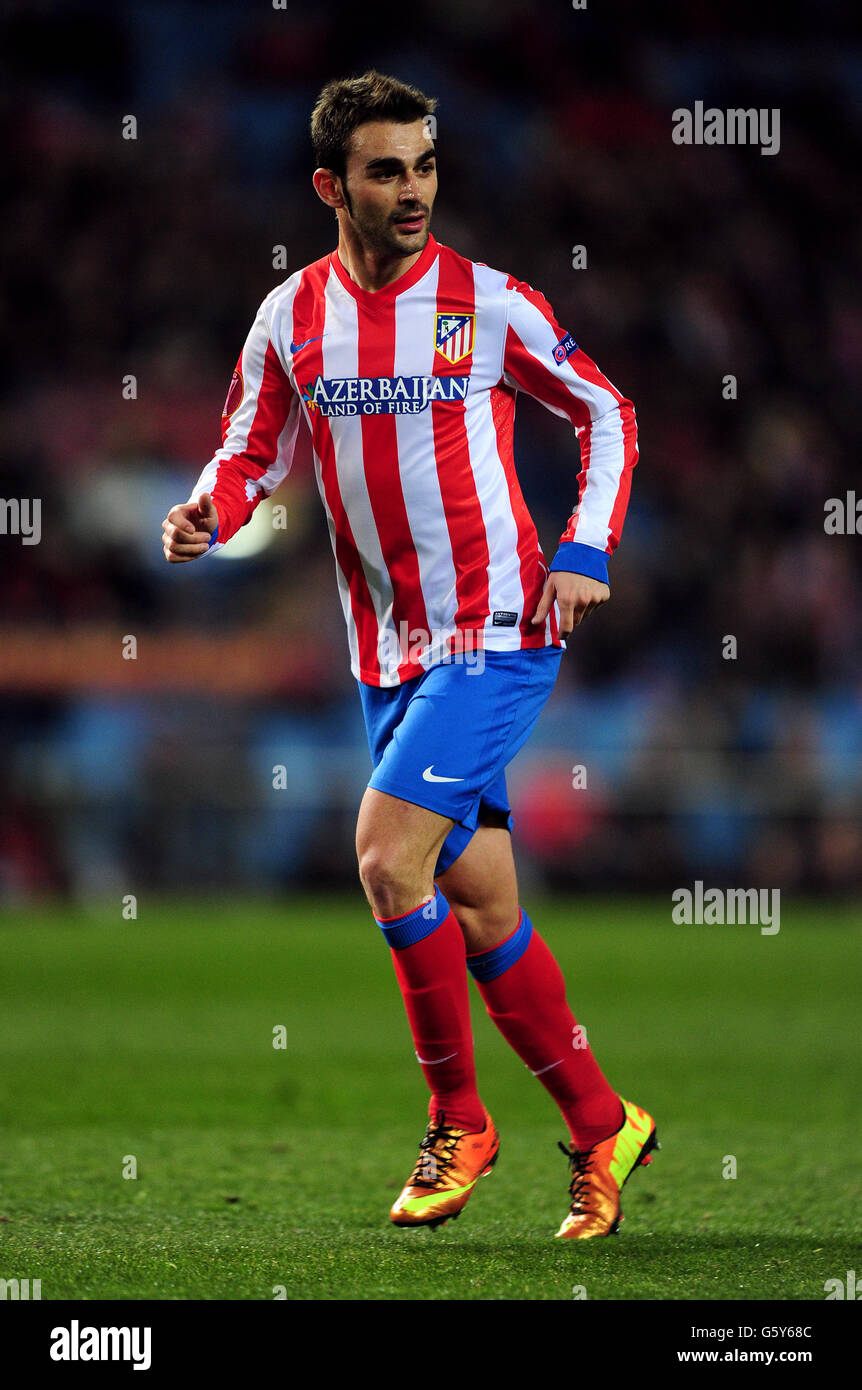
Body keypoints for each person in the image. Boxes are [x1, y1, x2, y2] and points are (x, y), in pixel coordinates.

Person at [162, 71, 657, 1239]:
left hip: (496, 632)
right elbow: (248, 446)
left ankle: (458, 1121)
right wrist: (206, 511)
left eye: (426, 165)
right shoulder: (291, 315)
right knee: (480, 904)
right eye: (387, 170)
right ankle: (602, 1124)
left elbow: (607, 413)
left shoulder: (490, 306)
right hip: (386, 651)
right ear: (332, 185)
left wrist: (586, 543)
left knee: (388, 860)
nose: (414, 189)